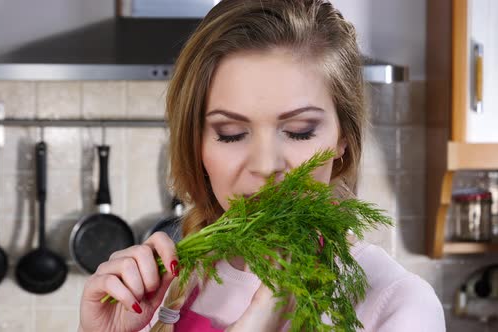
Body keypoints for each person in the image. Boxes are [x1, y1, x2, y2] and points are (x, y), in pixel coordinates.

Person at [78, 0, 445, 331]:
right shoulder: (150, 295)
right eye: (232, 133)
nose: (267, 166)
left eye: (299, 131)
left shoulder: (397, 304)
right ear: (197, 144)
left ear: (342, 141)